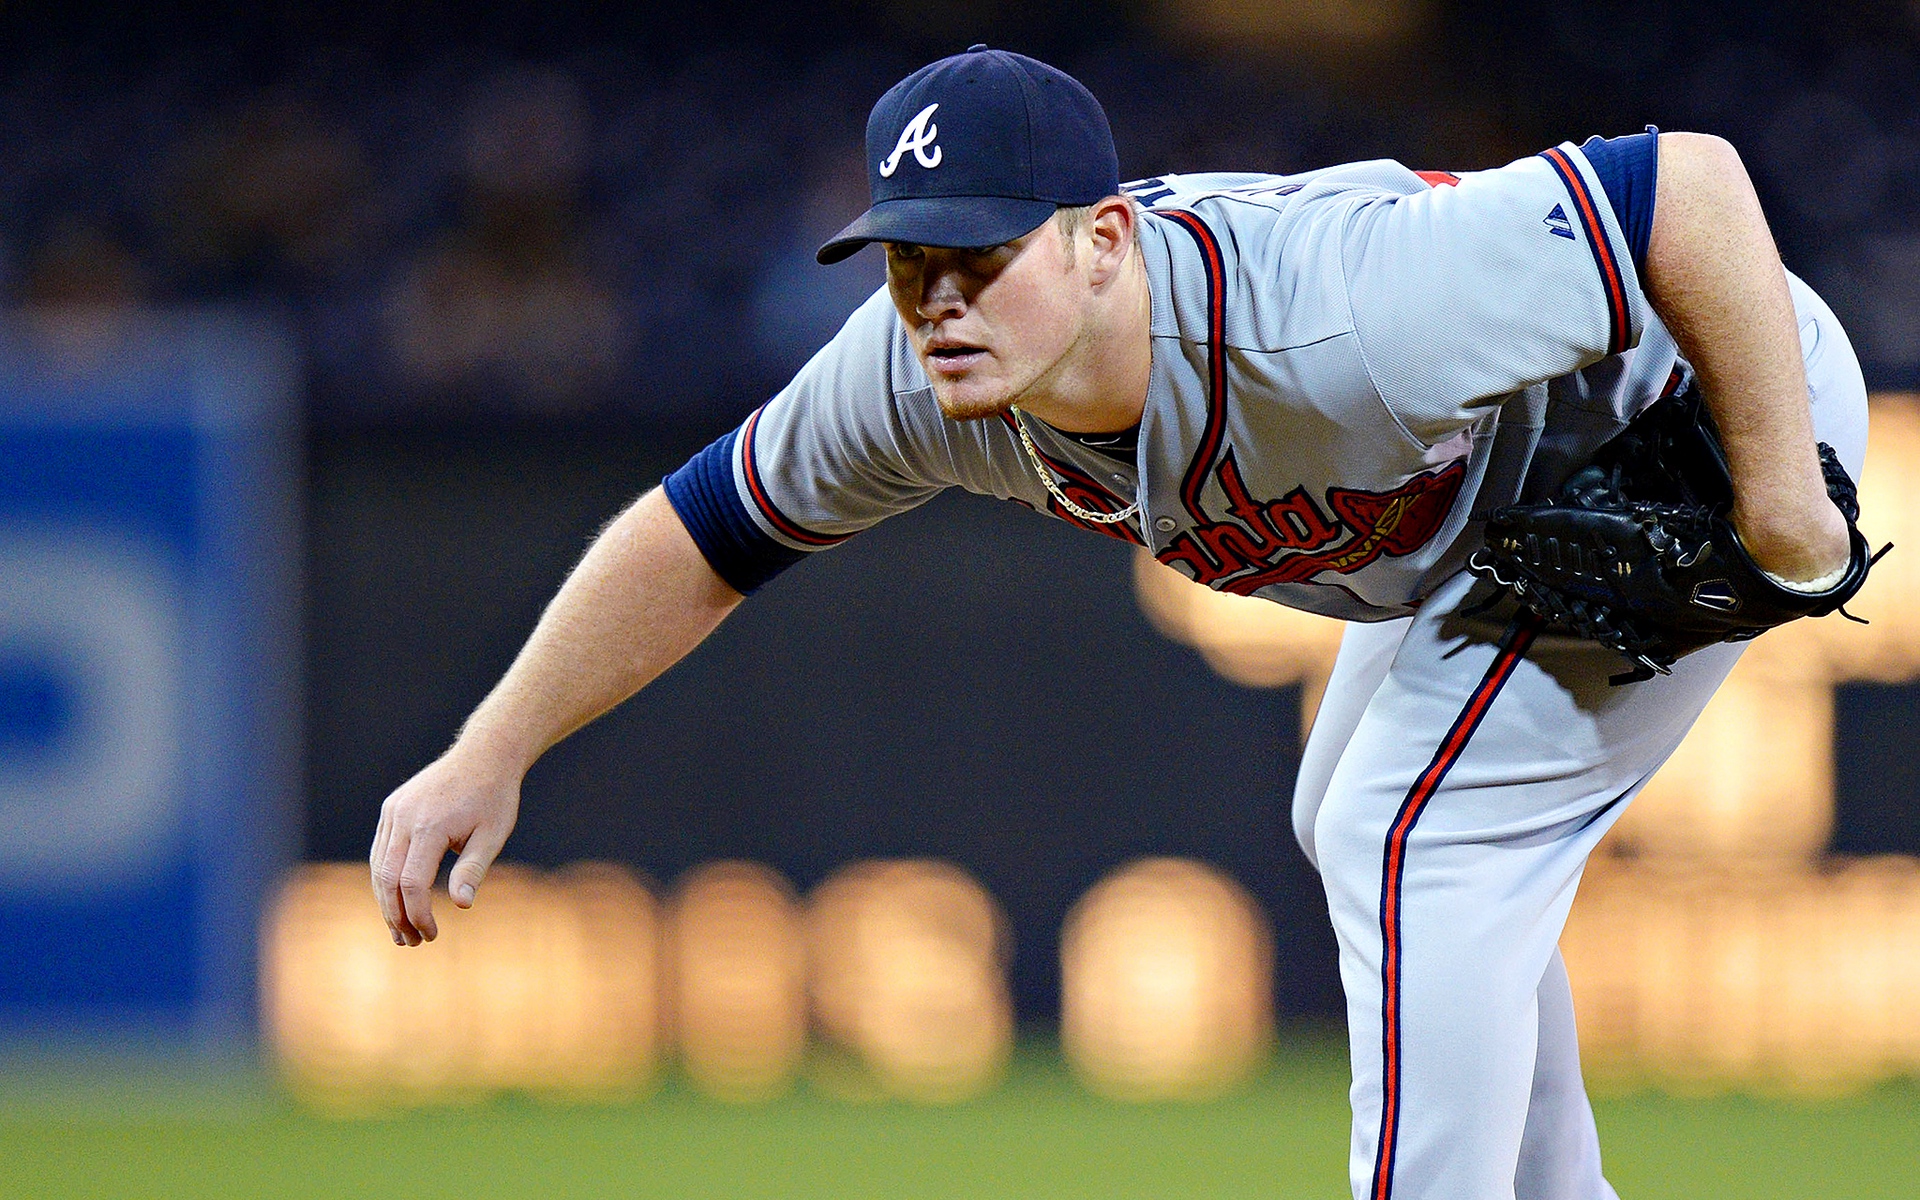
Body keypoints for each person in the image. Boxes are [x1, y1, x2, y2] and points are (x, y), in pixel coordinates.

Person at [369, 45, 1867, 1200]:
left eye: (981, 255)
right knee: (1350, 818)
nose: (940, 301)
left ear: (1099, 238)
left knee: (1408, 836)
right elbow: (700, 532)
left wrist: (1786, 501)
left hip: (1707, 403)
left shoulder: (1338, 313)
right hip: (1489, 509)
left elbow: (1689, 191)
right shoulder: (913, 381)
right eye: (909, 259)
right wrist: (491, 748)